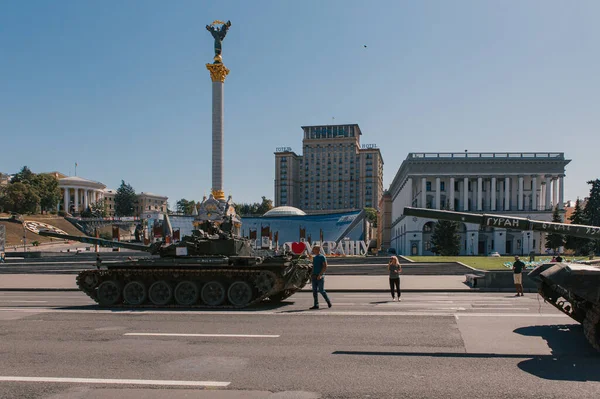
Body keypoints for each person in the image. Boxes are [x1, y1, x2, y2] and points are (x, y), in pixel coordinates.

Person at [309, 245, 332, 310]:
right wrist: (311, 274)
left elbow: (325, 266)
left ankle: (328, 302)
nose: (313, 250)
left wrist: (320, 275)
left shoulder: (322, 257)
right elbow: (313, 266)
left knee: (321, 290)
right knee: (314, 291)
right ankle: (316, 304)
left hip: (320, 276)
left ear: (317, 250)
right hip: (314, 276)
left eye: (314, 249)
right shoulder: (315, 257)